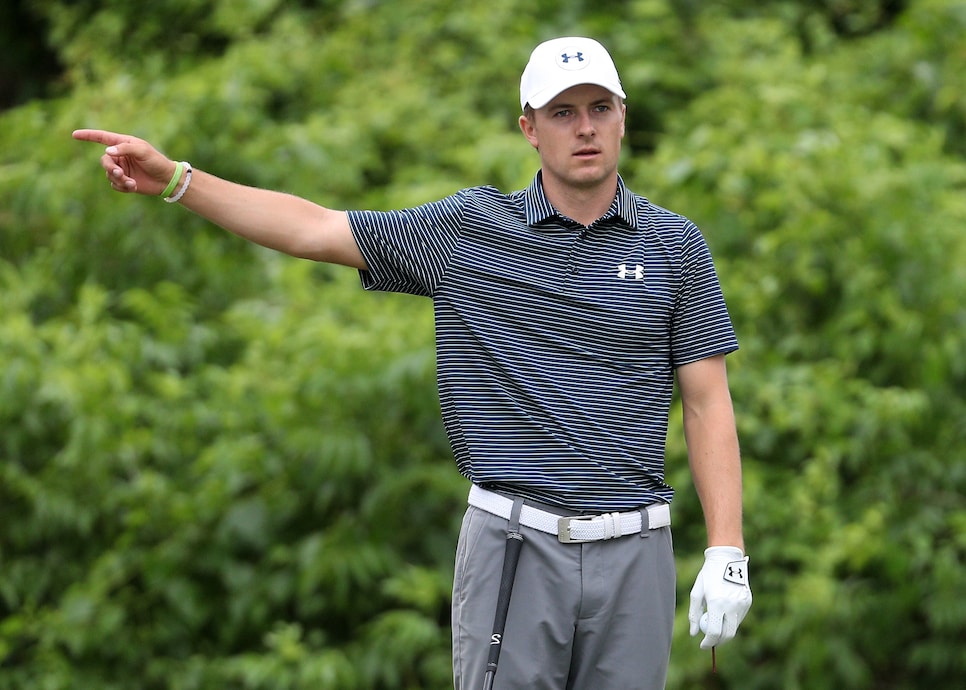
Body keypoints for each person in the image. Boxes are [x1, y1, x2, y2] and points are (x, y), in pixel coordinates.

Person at [74, 36, 751, 690]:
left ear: (623, 118)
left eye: (600, 109)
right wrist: (177, 180)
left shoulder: (674, 245)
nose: (585, 128)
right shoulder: (467, 233)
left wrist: (726, 552)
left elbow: (706, 402)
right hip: (515, 546)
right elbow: (315, 229)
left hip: (636, 552)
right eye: (562, 112)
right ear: (529, 129)